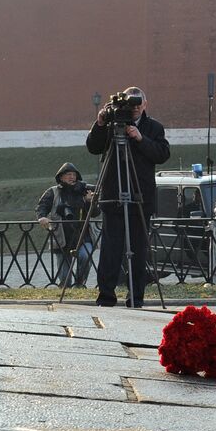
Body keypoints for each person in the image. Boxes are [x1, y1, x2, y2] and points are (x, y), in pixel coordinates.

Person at [86, 86, 170, 307]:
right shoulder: (112, 124)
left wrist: (141, 138)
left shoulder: (153, 128)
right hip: (113, 196)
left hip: (140, 197)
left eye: (137, 104)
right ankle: (106, 296)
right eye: (129, 105)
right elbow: (93, 147)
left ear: (145, 105)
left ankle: (136, 298)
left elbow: (162, 154)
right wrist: (101, 124)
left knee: (138, 251)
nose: (133, 109)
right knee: (110, 250)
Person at [37, 162, 92, 288]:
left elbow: (95, 213)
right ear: (61, 177)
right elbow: (42, 207)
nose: (72, 177)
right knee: (64, 272)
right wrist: (42, 217)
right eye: (68, 174)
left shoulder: (83, 192)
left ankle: (80, 285)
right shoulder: (53, 192)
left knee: (85, 256)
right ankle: (65, 289)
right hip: (62, 236)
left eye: (74, 175)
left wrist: (90, 201)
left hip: (83, 234)